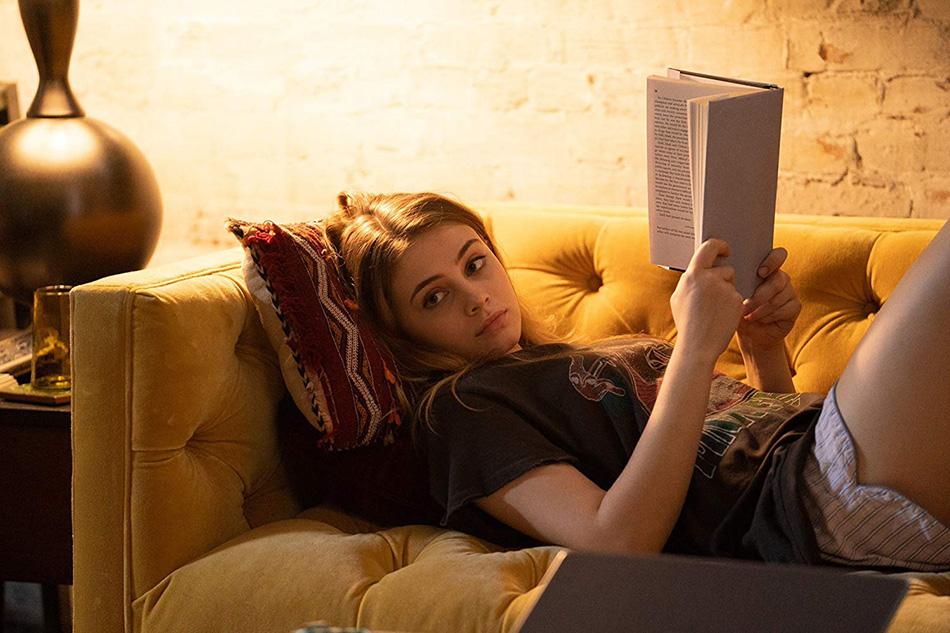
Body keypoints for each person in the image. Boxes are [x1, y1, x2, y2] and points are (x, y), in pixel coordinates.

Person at [320, 191, 950, 572]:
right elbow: (615, 541)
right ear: (402, 335)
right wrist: (695, 349)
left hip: (818, 449)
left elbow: (743, 437)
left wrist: (761, 346)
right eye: (434, 298)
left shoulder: (572, 354)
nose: (475, 297)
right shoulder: (462, 412)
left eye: (475, 264)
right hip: (816, 500)